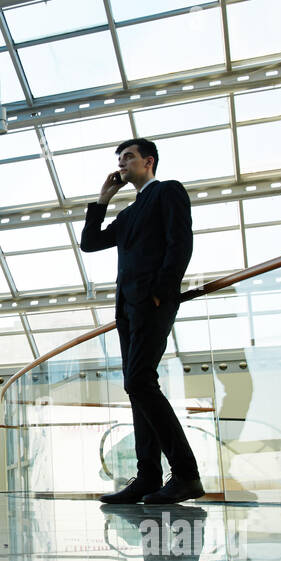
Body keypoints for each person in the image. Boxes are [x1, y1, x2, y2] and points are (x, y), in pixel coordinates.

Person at [80, 138, 202, 504]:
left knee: (140, 381)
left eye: (129, 157)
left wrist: (163, 290)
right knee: (136, 389)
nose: (122, 164)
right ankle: (148, 475)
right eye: (119, 159)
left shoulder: (167, 191)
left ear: (148, 162)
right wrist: (102, 199)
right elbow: (90, 243)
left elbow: (180, 242)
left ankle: (185, 474)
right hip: (127, 309)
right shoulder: (130, 213)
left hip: (152, 299)